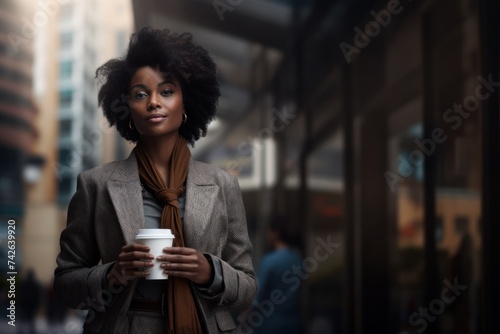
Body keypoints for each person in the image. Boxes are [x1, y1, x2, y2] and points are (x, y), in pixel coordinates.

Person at [54, 27, 257, 334]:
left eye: (166, 91)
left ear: (186, 103)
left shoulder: (222, 184)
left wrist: (210, 272)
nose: (153, 102)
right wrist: (113, 274)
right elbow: (66, 284)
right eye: (140, 94)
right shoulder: (95, 184)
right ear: (126, 109)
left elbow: (247, 288)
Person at [252, 216, 303, 334]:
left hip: (268, 324)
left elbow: (257, 295)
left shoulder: (269, 261)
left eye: (268, 231)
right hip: (292, 323)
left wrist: (245, 315)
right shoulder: (298, 259)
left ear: (275, 233)